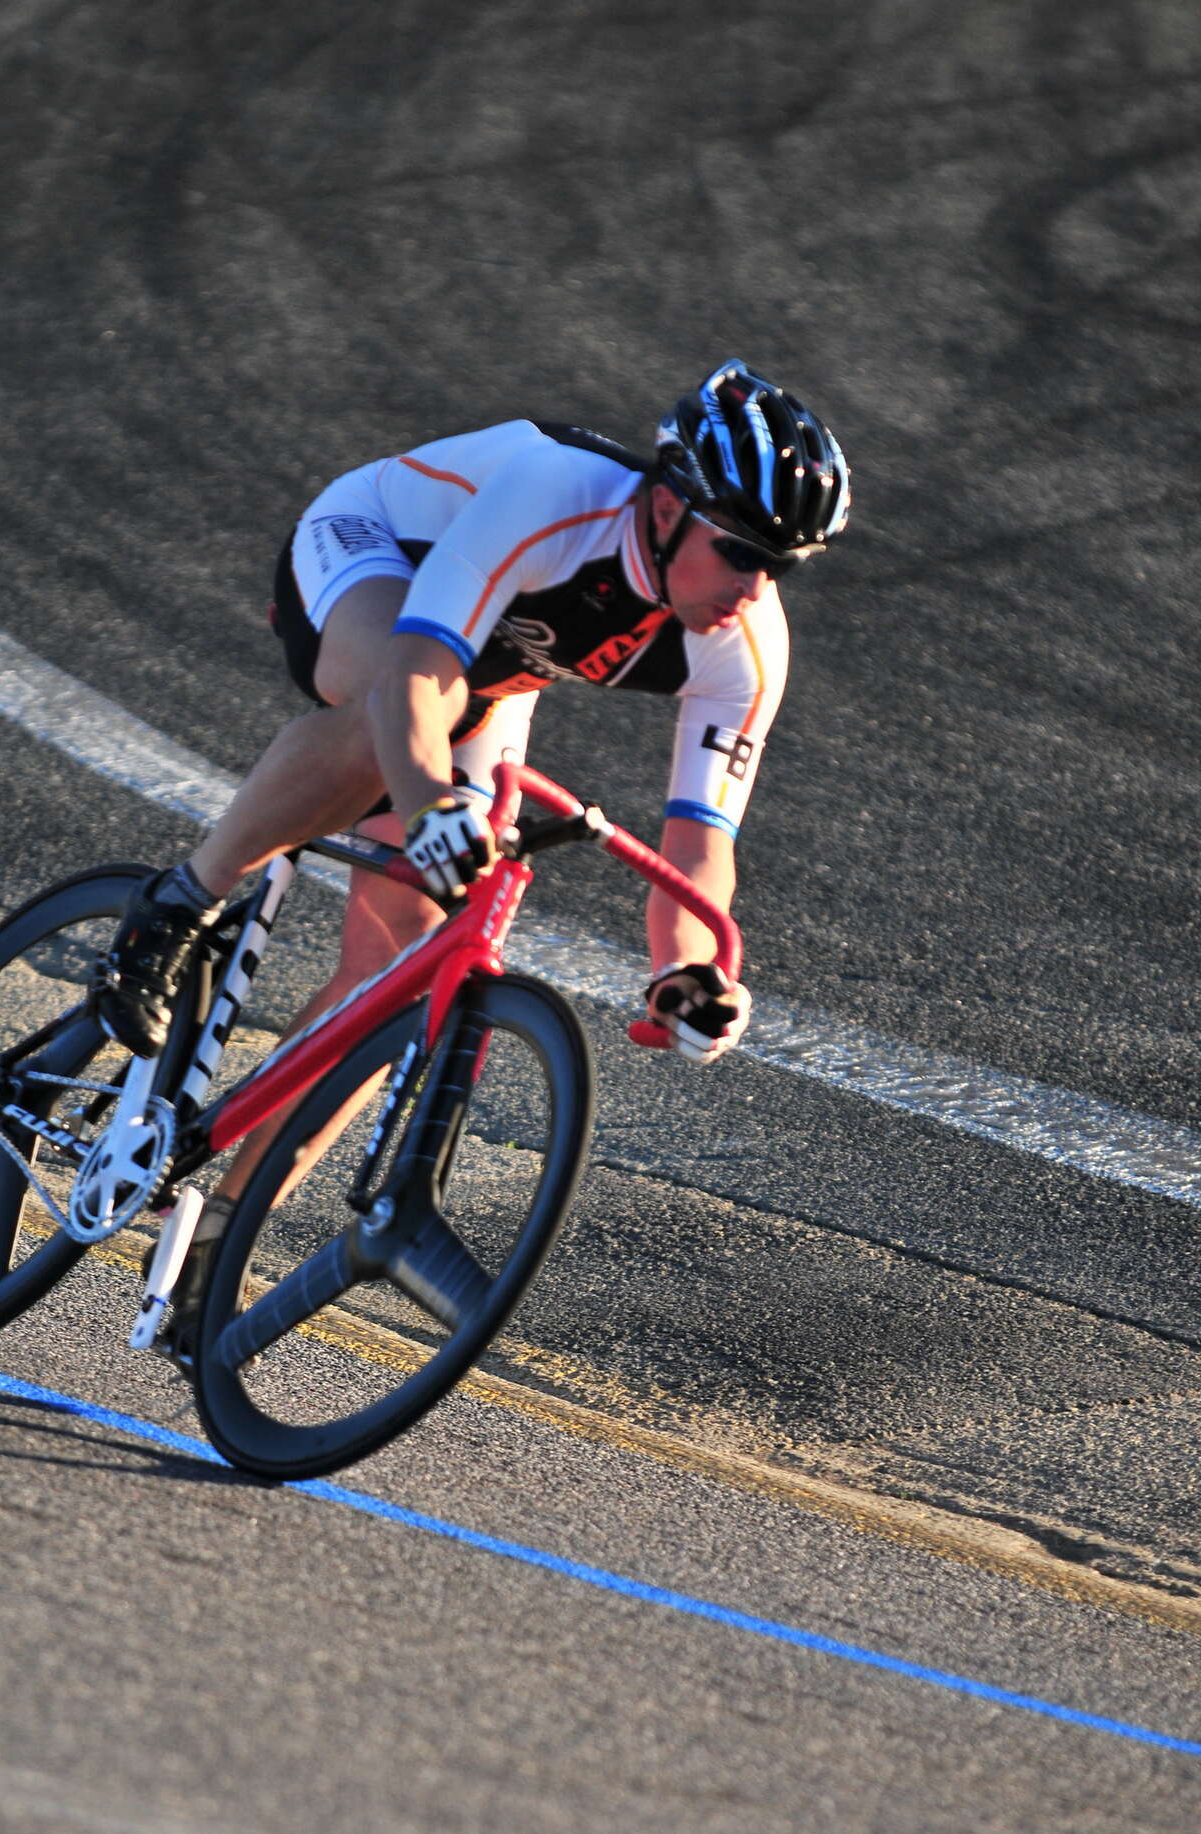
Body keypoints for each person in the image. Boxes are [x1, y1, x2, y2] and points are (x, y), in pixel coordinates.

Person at [94, 359, 851, 1298]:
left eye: (781, 566)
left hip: (485, 672)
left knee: (401, 971)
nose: (755, 585)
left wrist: (686, 972)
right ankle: (180, 901)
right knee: (395, 722)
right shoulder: (557, 497)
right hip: (375, 555)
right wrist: (429, 807)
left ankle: (217, 1237)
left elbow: (699, 843)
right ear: (667, 508)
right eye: (739, 551)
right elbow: (416, 674)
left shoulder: (746, 648)